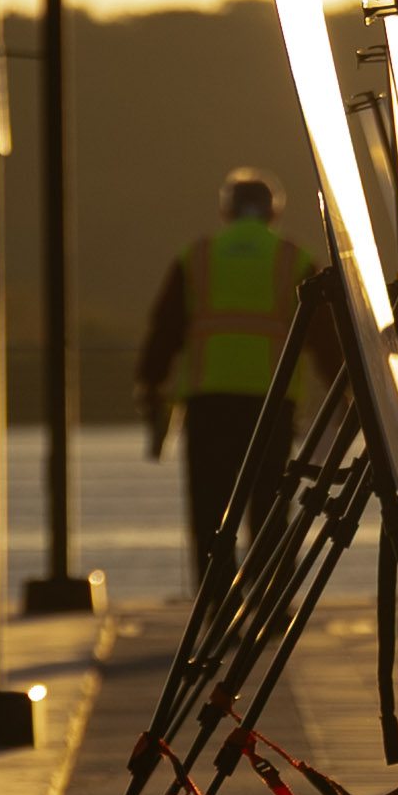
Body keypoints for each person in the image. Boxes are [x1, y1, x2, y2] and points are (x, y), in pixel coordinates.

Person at [131, 169, 314, 620]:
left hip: (208, 400)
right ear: (275, 211)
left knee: (211, 505)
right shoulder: (295, 259)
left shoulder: (197, 257)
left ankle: (217, 605)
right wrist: (350, 392)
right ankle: (270, 606)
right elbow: (327, 337)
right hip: (272, 403)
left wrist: (150, 383)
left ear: (225, 210)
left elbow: (166, 328)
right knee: (271, 504)